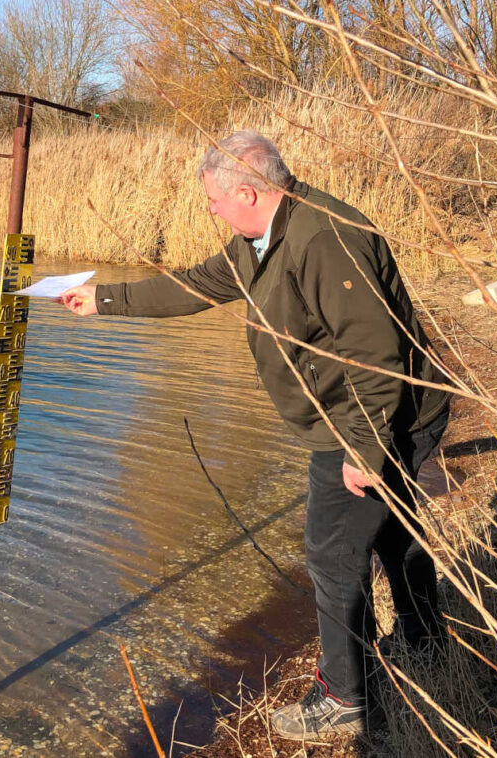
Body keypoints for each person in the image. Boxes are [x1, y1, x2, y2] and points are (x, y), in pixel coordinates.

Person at [59, 130, 450, 740]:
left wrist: (363, 449)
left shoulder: (324, 239)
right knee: (391, 531)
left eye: (214, 199)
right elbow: (195, 285)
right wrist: (103, 298)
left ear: (247, 191)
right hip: (361, 415)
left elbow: (374, 354)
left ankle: (345, 697)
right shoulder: (259, 238)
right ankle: (426, 638)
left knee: (330, 550)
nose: (210, 209)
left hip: (370, 418)